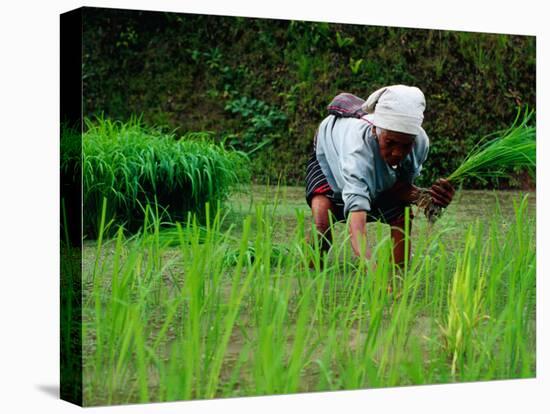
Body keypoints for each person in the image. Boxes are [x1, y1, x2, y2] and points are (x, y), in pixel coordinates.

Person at [305, 85, 455, 267]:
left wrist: (429, 201)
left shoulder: (420, 144)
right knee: (323, 220)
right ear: (376, 131)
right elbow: (357, 222)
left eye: (405, 145)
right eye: (390, 142)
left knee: (402, 214)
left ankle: (399, 271)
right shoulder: (357, 150)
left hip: (366, 165)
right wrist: (372, 272)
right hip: (329, 153)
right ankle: (308, 272)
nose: (398, 153)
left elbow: (400, 189)